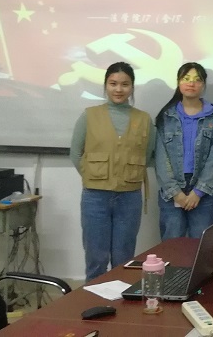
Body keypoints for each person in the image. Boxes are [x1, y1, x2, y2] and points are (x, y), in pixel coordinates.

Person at [70, 62, 156, 281]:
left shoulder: (144, 119)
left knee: (123, 258)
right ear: (106, 85)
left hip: (129, 197)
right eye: (113, 83)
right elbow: (75, 153)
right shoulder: (89, 115)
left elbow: (147, 155)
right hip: (95, 197)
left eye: (125, 84)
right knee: (96, 258)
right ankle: (92, 298)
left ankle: (121, 300)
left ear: (132, 87)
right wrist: (94, 175)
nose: (119, 89)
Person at [154, 62, 213, 240]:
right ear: (178, 82)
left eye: (197, 79)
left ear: (203, 84)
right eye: (186, 78)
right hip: (171, 192)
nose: (191, 83)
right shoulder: (166, 116)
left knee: (200, 247)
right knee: (172, 246)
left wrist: (198, 192)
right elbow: (160, 157)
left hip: (204, 193)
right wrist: (175, 192)